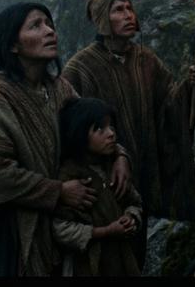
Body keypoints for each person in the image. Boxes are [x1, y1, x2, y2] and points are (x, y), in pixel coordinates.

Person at [0, 2, 131, 276]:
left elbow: (89, 130)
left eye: (49, 24)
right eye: (36, 26)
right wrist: (57, 191)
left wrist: (119, 155)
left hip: (51, 225)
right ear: (12, 45)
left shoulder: (59, 89)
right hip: (2, 232)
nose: (49, 32)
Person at [62, 0, 195, 268]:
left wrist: (189, 86)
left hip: (144, 168)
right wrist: (113, 156)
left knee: (135, 241)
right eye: (118, 10)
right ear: (103, 19)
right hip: (101, 178)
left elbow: (168, 105)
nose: (128, 15)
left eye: (130, 8)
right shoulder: (81, 67)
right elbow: (69, 123)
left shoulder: (145, 59)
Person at [52, 97, 143, 276]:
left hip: (122, 260)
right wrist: (104, 232)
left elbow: (135, 202)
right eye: (100, 128)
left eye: (111, 127)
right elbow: (61, 229)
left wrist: (131, 217)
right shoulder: (69, 176)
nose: (111, 134)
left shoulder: (112, 167)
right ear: (79, 134)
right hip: (87, 266)